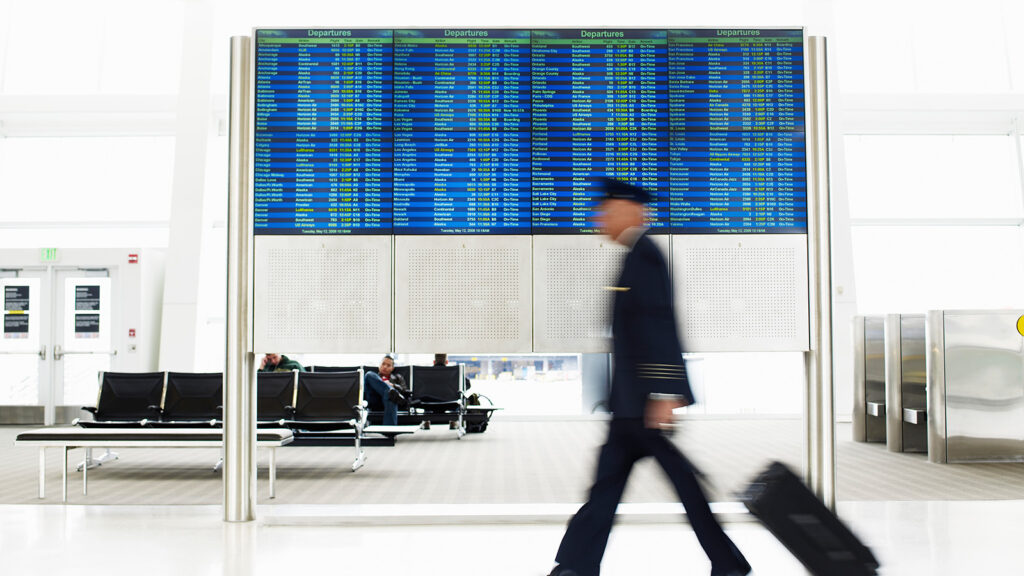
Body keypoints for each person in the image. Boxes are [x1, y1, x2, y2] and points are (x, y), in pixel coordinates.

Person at [548, 178, 750, 576]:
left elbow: (659, 326)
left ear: (630, 210)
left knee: (681, 488)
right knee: (609, 488)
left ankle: (728, 565)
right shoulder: (633, 256)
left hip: (643, 405)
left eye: (606, 209)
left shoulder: (646, 256)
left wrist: (664, 392)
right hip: (630, 404)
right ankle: (576, 565)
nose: (599, 217)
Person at [363, 354, 408, 426]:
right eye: (383, 364)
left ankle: (389, 432)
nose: (385, 367)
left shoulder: (398, 377)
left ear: (392, 368)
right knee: (368, 374)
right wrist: (386, 387)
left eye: (388, 365)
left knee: (391, 397)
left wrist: (392, 385)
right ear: (379, 365)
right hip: (375, 400)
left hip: (390, 401)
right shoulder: (374, 377)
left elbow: (405, 391)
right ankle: (389, 391)